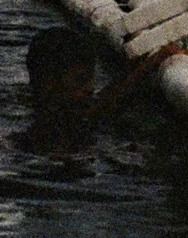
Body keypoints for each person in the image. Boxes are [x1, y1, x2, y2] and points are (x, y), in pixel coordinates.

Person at [14, 27, 179, 153]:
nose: (90, 88)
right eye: (80, 81)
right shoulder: (58, 121)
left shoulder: (45, 106)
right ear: (49, 83)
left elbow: (104, 100)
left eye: (90, 79)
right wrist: (151, 63)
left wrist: (141, 65)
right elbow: (103, 106)